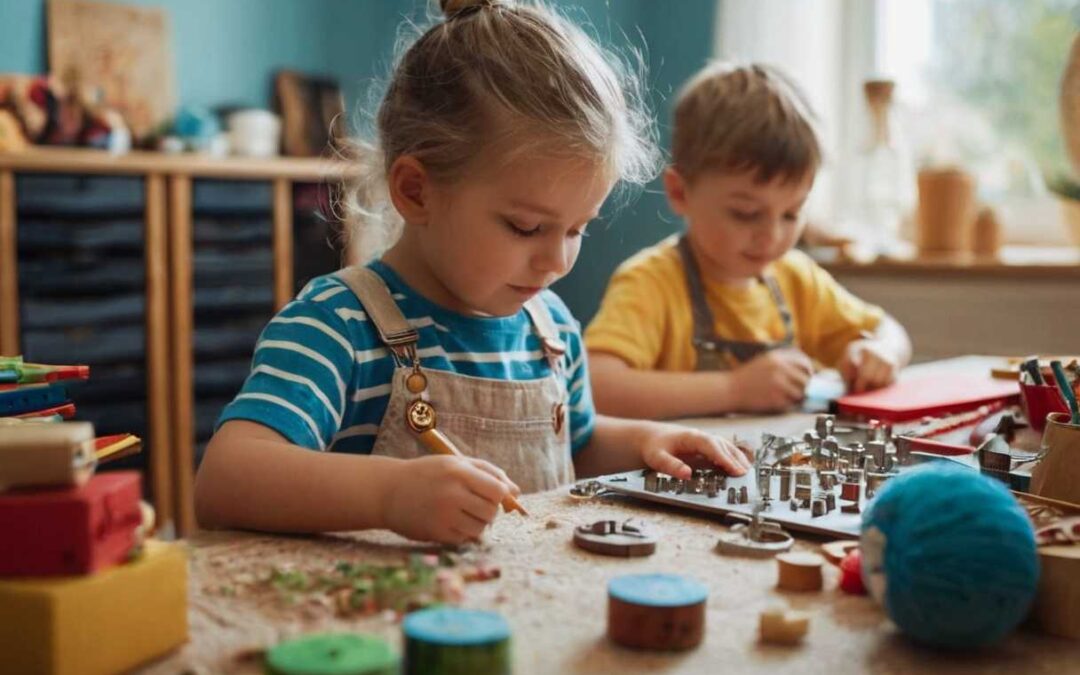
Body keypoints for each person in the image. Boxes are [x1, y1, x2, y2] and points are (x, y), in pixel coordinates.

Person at [195, 0, 751, 544]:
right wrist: (389, 495)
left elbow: (576, 442)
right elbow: (227, 479)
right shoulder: (337, 325)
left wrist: (648, 442)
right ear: (416, 191)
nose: (557, 261)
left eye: (578, 228)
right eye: (526, 227)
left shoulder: (550, 329)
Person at [585, 62, 912, 420]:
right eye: (745, 213)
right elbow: (598, 386)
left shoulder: (797, 279)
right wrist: (735, 389)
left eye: (791, 214)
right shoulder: (651, 282)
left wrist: (881, 353)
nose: (771, 236)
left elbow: (889, 330)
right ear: (680, 192)